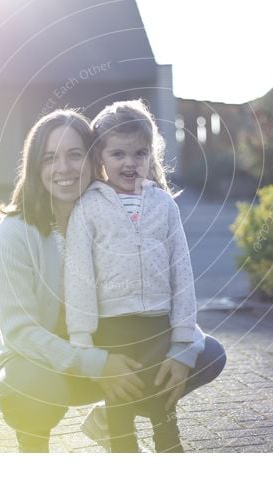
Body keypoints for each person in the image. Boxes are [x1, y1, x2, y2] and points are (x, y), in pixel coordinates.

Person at [0, 109, 226, 453]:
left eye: (75, 154)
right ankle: (33, 449)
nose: (64, 167)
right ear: (36, 166)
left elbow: (152, 293)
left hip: (115, 353)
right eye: (50, 158)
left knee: (207, 353)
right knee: (32, 387)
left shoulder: (113, 216)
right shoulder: (14, 233)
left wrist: (184, 345)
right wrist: (96, 364)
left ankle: (113, 418)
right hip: (44, 366)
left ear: (94, 159)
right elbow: (19, 332)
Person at [64, 100, 195, 453]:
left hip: (158, 323)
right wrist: (82, 339)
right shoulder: (88, 208)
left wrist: (183, 338)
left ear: (151, 156)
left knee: (164, 404)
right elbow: (78, 276)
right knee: (120, 405)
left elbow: (182, 272)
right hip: (112, 328)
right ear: (100, 157)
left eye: (139, 153)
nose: (129, 162)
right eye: (118, 153)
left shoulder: (164, 204)